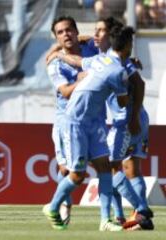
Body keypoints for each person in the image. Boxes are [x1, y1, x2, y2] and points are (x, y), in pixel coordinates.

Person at [49, 17, 154, 230]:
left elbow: (138, 85)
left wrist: (133, 115)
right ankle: (120, 216)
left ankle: (140, 211)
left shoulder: (118, 63)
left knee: (115, 168)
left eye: (100, 31)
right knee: (117, 167)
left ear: (112, 36)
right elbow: (77, 60)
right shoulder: (100, 58)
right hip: (106, 121)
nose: (95, 35)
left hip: (124, 121)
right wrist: (57, 52)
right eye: (94, 31)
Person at [43, 16, 97, 226]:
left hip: (94, 119)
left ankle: (112, 217)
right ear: (56, 37)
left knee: (106, 165)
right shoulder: (55, 62)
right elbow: (65, 92)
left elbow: (99, 40)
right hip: (67, 121)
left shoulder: (91, 49)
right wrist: (81, 80)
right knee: (67, 170)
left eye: (69, 30)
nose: (66, 34)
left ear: (76, 31)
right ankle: (62, 208)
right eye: (60, 32)